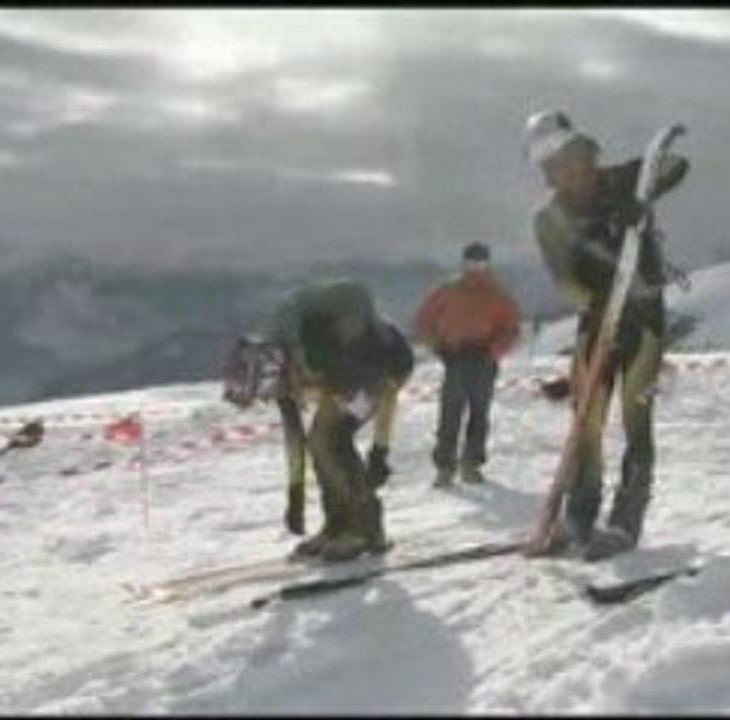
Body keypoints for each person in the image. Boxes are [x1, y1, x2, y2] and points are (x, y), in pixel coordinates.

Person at [523, 109, 690, 558]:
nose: (566, 171)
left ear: (586, 153)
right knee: (587, 420)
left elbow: (676, 166)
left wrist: (638, 198)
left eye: (571, 158)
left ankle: (624, 523)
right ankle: (578, 517)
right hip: (597, 320)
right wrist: (595, 305)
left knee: (637, 420)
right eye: (553, 165)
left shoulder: (623, 181)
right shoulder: (549, 219)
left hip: (644, 316)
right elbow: (564, 281)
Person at [245, 279, 414, 562]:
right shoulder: (296, 349)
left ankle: (364, 529)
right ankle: (338, 525)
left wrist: (380, 451)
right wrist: (295, 496)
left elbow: (387, 396)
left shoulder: (366, 347)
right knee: (322, 442)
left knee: (331, 442)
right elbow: (295, 433)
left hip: (375, 375)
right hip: (340, 376)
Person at [414, 242, 521, 487]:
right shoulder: (448, 290)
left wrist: (493, 352)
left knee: (479, 415)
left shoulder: (497, 294)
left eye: (481, 263)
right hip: (455, 359)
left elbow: (511, 329)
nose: (476, 269)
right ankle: (444, 467)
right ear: (463, 264)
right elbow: (423, 320)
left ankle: (471, 464)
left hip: (483, 361)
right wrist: (438, 348)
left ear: (488, 265)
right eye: (471, 263)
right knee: (449, 415)